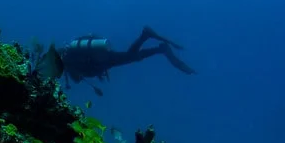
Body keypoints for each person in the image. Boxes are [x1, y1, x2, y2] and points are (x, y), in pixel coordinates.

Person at [35, 26, 196, 93]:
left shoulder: (66, 60)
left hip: (102, 60)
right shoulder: (68, 57)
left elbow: (78, 77)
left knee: (130, 57)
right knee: (131, 57)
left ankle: (147, 36)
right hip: (102, 60)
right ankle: (158, 48)